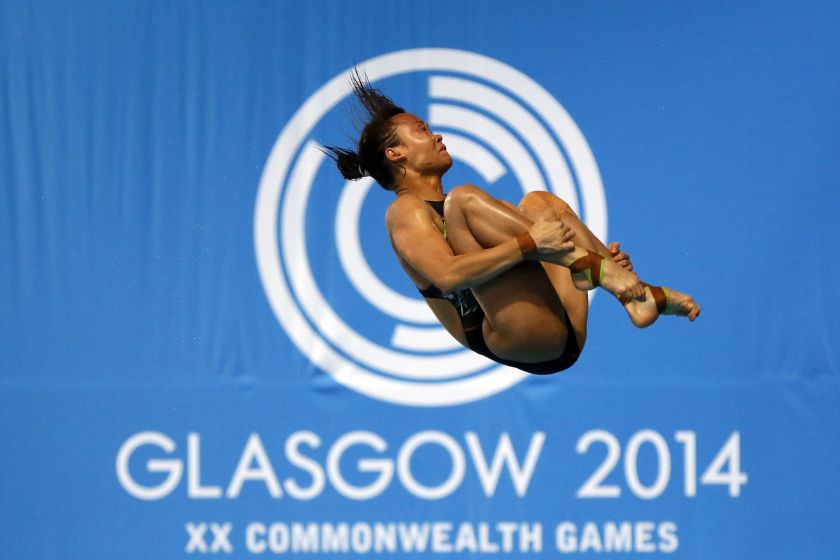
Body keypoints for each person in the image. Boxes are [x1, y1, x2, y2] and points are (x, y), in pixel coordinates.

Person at [325, 71, 700, 374]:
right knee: (466, 200)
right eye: (422, 130)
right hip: (517, 337)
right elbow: (449, 276)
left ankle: (632, 294)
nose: (436, 134)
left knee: (541, 203)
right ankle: (596, 271)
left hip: (559, 327)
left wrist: (573, 250)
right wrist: (531, 245)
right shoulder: (405, 211)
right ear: (396, 154)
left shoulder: (468, 216)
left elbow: (535, 241)